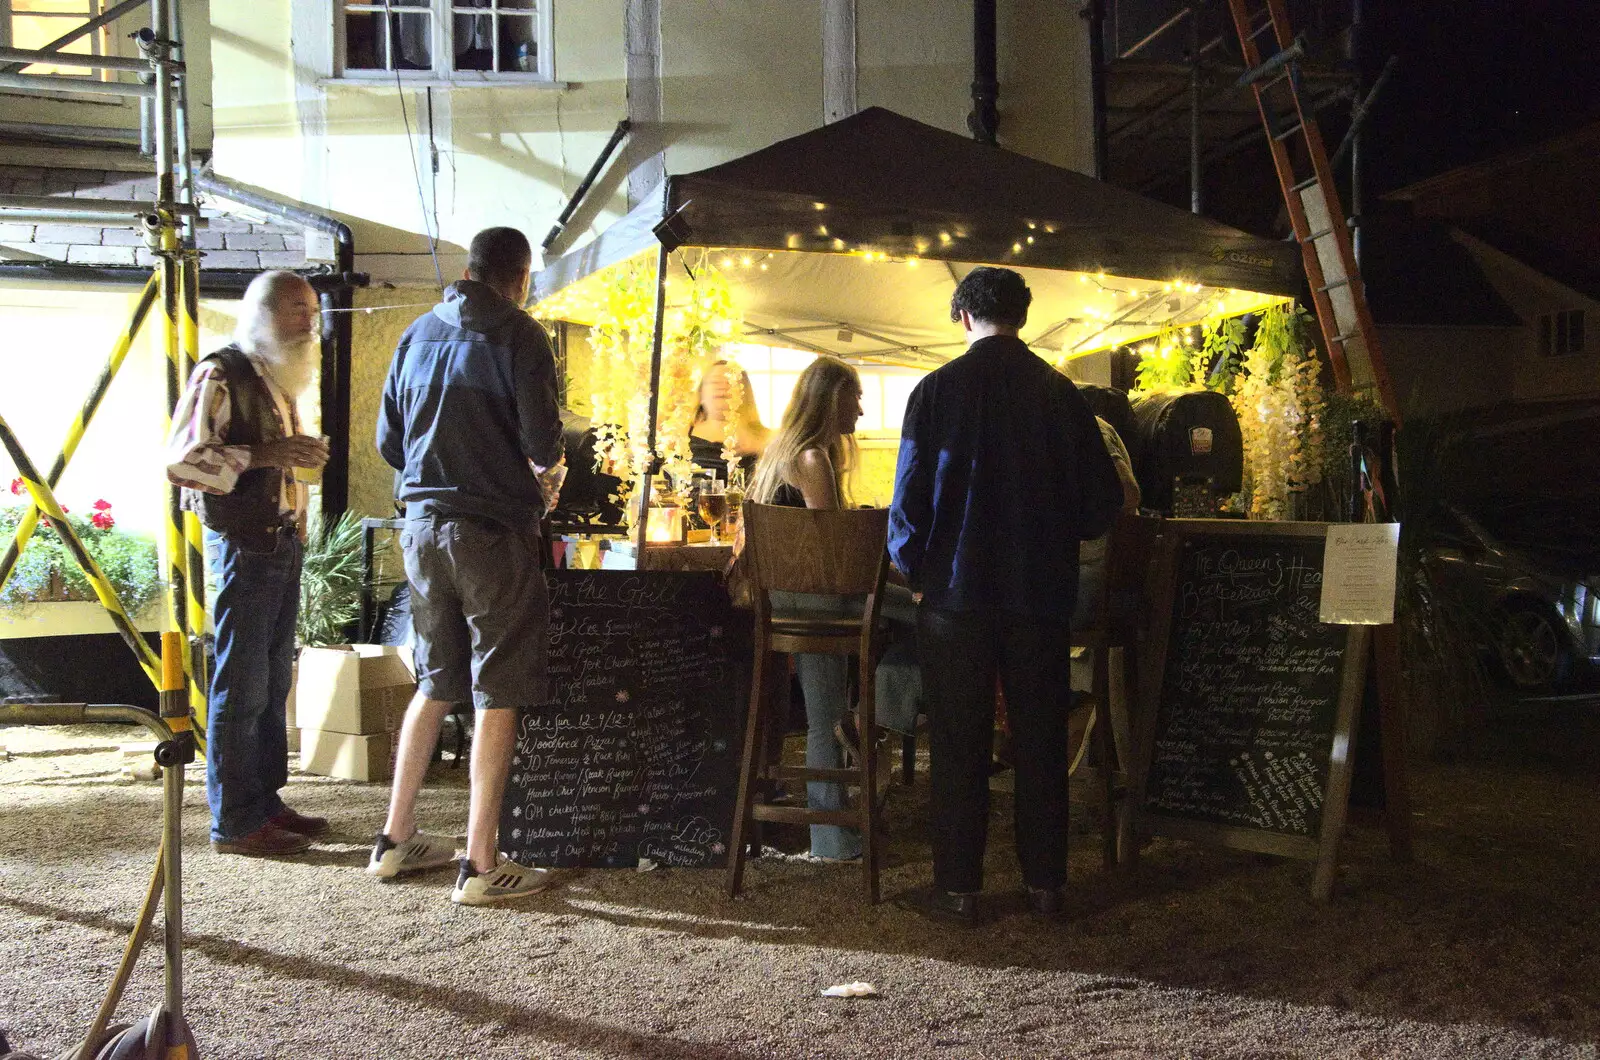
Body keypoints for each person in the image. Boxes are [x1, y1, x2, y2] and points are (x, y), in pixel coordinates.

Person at [888, 266, 1122, 923]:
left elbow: (908, 502)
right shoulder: (1062, 395)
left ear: (962, 316)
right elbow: (1100, 502)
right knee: (1040, 738)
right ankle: (1046, 885)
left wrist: (914, 570)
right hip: (1040, 594)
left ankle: (959, 889)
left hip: (955, 598)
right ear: (1022, 315)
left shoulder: (933, 392)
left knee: (959, 741)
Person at [368, 226, 566, 906]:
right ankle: (481, 864)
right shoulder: (520, 335)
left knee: (436, 678)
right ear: (521, 275)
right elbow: (543, 441)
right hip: (490, 530)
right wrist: (543, 472)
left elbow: (388, 441)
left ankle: (395, 840)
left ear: (470, 268)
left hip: (419, 527)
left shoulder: (417, 332)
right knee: (498, 686)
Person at [166, 270, 330, 857]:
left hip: (280, 540)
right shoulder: (221, 372)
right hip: (243, 544)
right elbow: (184, 461)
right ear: (262, 311)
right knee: (242, 683)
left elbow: (273, 461)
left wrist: (296, 457)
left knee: (273, 679)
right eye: (294, 309)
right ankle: (234, 821)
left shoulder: (277, 378)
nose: (308, 321)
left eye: (311, 309)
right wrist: (269, 454)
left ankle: (264, 800)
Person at [746, 356, 920, 862]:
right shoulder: (811, 459)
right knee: (932, 611)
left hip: (786, 602)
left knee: (921, 611)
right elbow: (835, 553)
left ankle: (870, 721)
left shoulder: (782, 454)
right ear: (830, 400)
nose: (862, 410)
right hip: (817, 602)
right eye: (855, 397)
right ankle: (832, 832)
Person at [689, 360, 770, 482]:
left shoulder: (766, 438)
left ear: (745, 393)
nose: (722, 386)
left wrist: (761, 449)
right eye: (715, 382)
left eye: (730, 382)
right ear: (701, 393)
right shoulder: (681, 437)